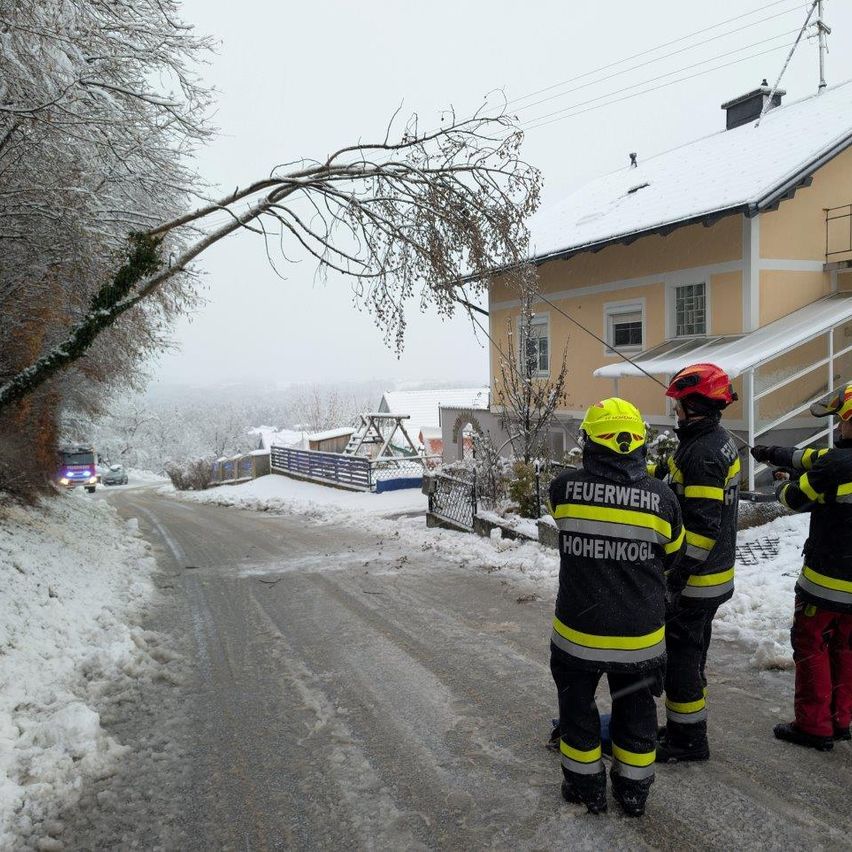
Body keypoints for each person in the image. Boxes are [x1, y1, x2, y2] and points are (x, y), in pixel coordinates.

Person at [549, 398, 684, 817]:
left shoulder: (564, 489)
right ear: (638, 442)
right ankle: (633, 793)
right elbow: (674, 553)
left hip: (578, 637)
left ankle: (586, 789)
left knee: (578, 712)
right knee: (637, 715)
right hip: (640, 640)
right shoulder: (662, 499)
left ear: (591, 441)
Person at [750, 382, 852, 751]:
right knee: (845, 648)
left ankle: (813, 726)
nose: (838, 428)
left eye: (841, 422)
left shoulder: (837, 464)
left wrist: (782, 483)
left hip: (825, 583)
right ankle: (840, 718)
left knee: (812, 647)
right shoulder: (835, 461)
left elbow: (794, 499)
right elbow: (810, 458)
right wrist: (771, 453)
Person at [652, 363, 740, 762]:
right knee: (694, 651)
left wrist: (676, 578)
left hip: (698, 580)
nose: (676, 413)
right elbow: (690, 490)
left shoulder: (702, 453)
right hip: (716, 576)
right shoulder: (715, 441)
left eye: (680, 406)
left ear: (694, 404)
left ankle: (688, 740)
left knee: (682, 658)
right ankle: (685, 726)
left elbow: (702, 530)